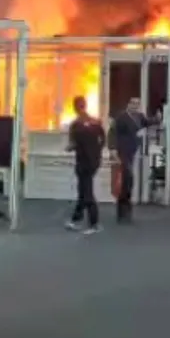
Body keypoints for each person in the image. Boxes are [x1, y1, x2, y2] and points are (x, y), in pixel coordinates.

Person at [110, 97, 157, 223]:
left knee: (129, 182)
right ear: (128, 104)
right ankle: (122, 213)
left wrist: (158, 118)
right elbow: (112, 132)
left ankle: (127, 211)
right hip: (123, 152)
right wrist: (113, 149)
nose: (135, 106)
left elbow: (147, 122)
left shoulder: (139, 117)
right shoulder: (121, 117)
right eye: (133, 103)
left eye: (137, 104)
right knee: (126, 180)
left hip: (133, 152)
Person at [65, 96, 105, 235]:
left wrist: (69, 148)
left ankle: (95, 224)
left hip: (83, 162)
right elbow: (103, 140)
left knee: (86, 193)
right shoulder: (96, 121)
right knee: (83, 191)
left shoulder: (75, 125)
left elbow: (72, 145)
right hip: (94, 161)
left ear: (74, 107)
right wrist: (96, 152)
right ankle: (75, 219)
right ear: (85, 105)